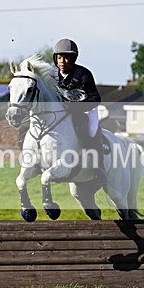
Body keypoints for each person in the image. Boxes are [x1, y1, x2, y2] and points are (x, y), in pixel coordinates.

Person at [52, 38, 109, 182]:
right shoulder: (52, 76)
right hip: (63, 113)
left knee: (91, 130)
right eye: (59, 57)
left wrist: (76, 107)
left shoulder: (84, 74)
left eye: (66, 58)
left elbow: (95, 98)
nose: (62, 61)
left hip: (87, 110)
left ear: (73, 59)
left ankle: (99, 168)